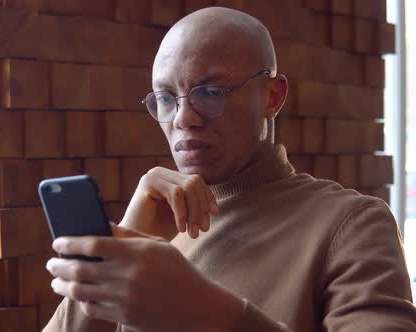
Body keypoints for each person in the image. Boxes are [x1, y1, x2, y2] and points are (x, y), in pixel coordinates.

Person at [43, 6, 416, 332]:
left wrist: (205, 312)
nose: (183, 119)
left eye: (210, 93)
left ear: (272, 96)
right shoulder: (154, 230)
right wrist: (116, 244)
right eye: (166, 99)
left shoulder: (352, 226)